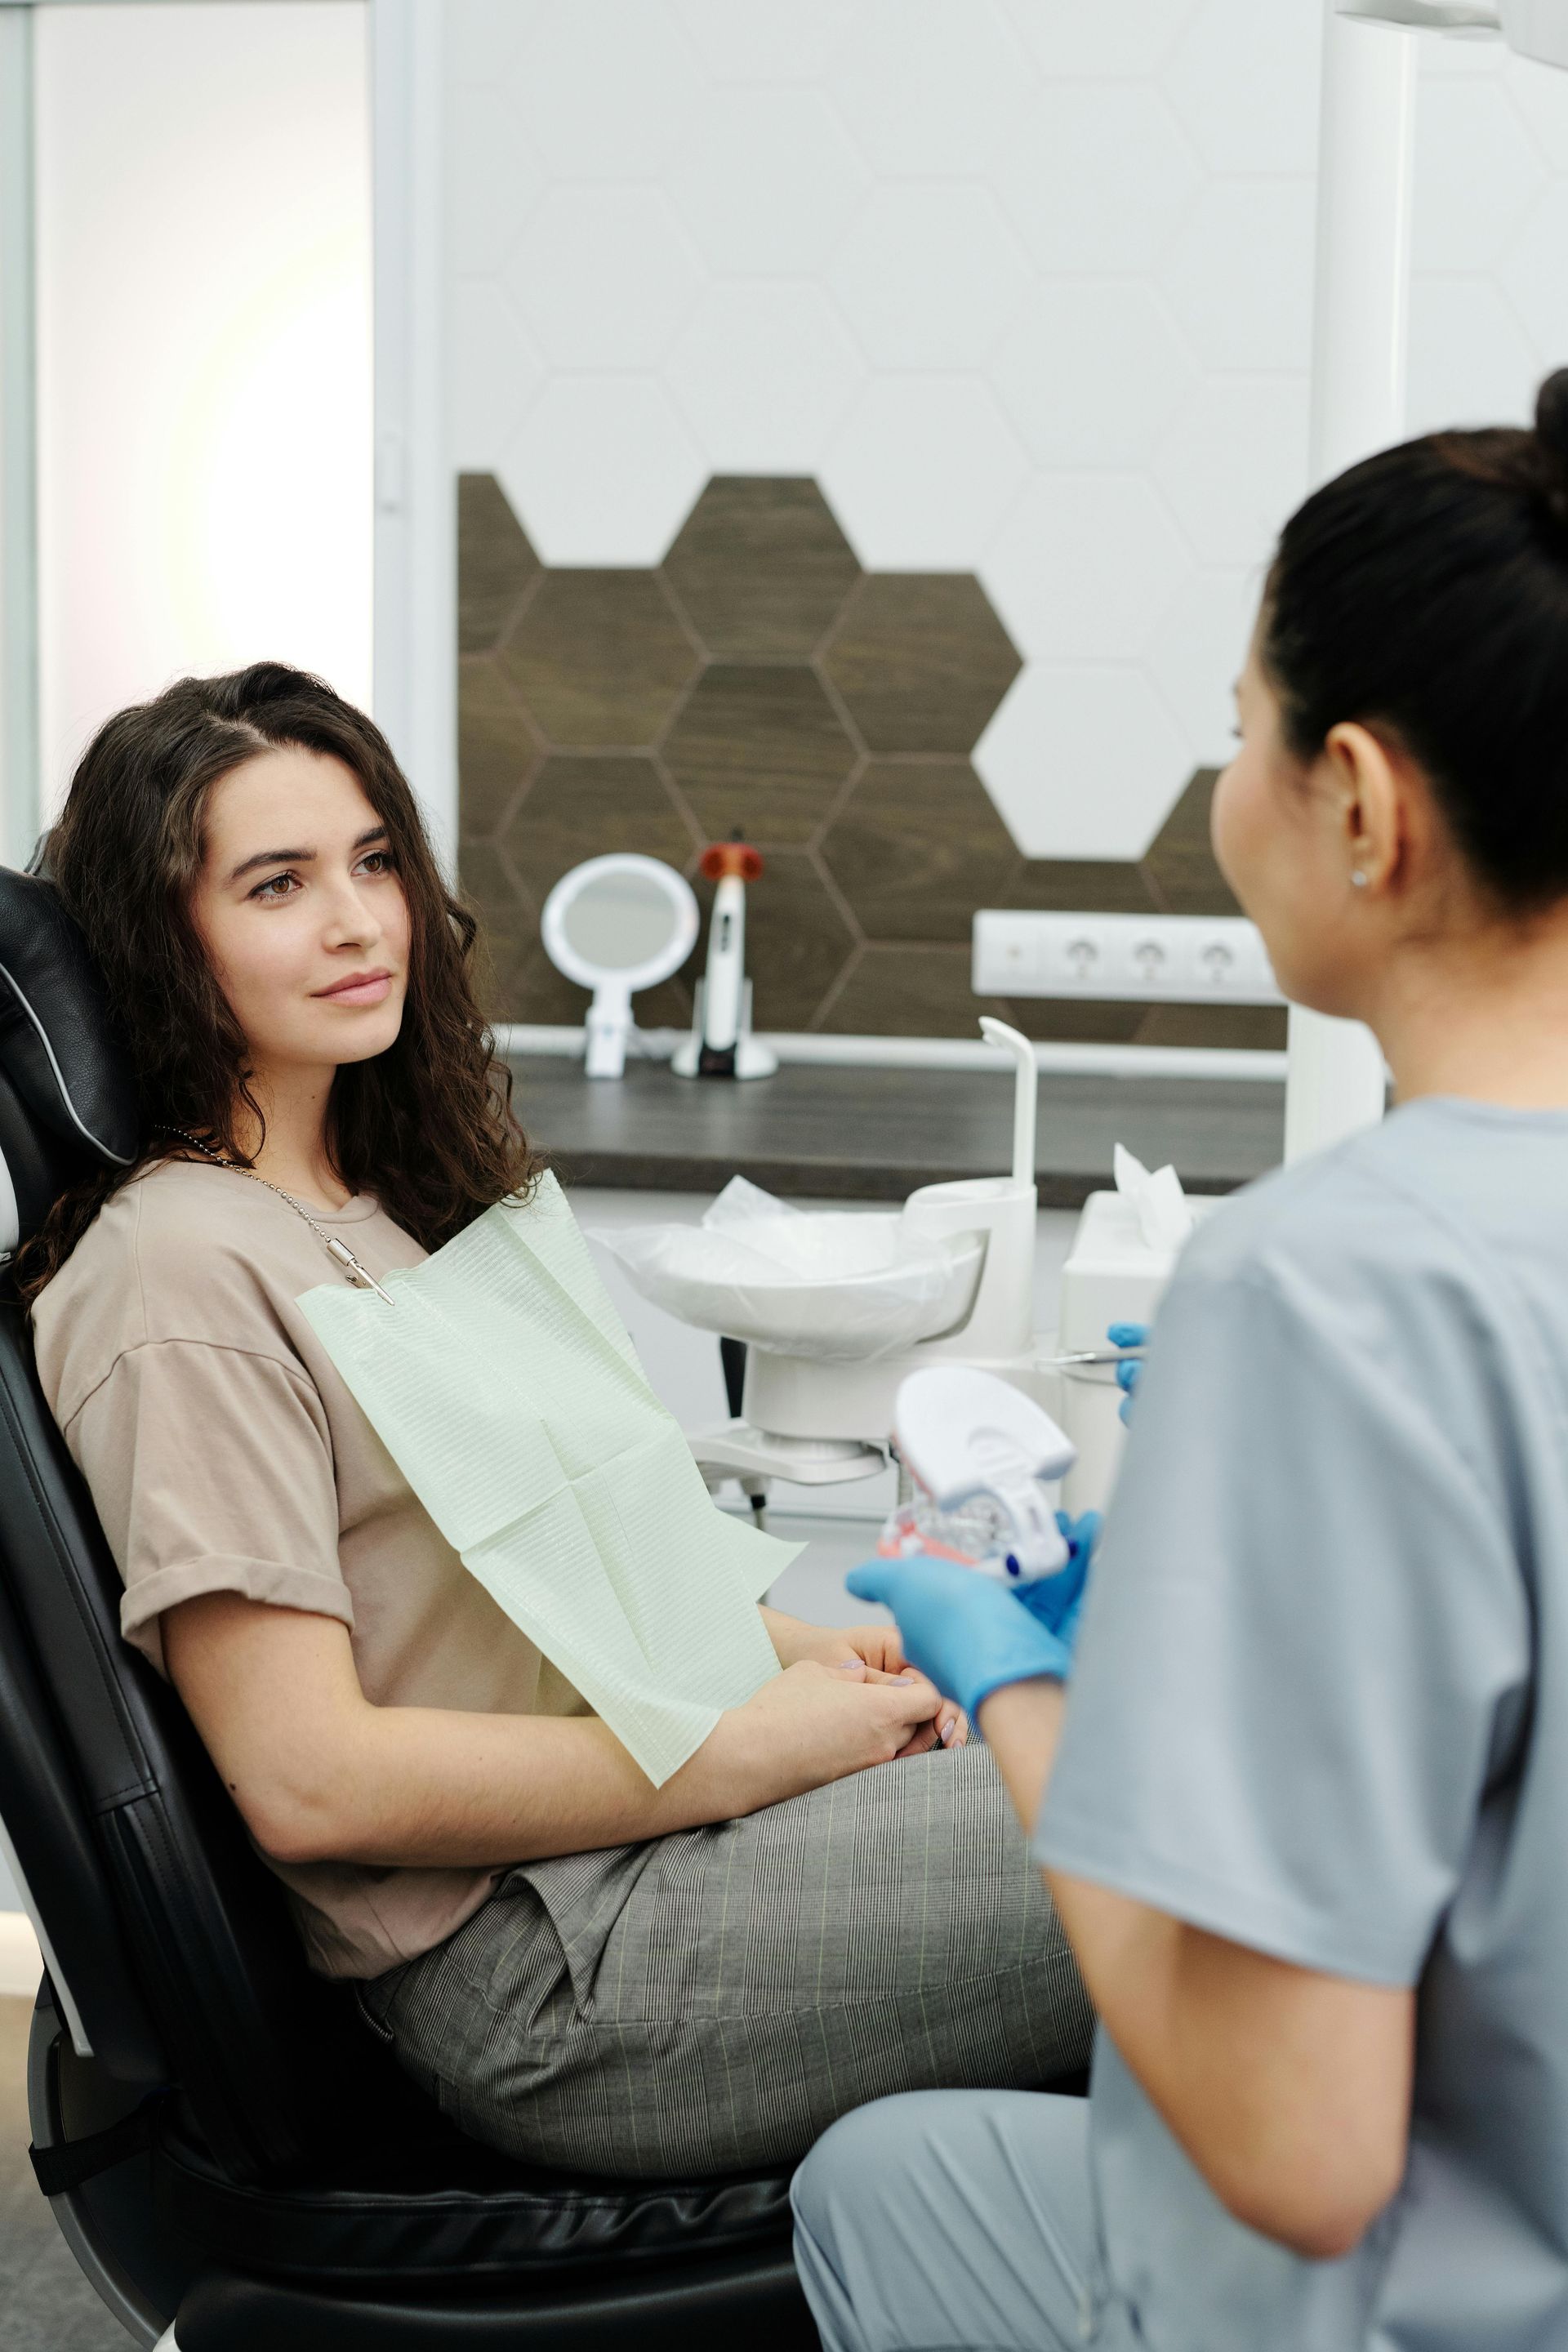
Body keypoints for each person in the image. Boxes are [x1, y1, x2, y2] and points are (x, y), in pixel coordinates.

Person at [16, 663, 1092, 2182]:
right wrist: (741, 1755)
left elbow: (563, 1579)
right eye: (277, 884)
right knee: (1193, 1816)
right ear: (159, 936)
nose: (357, 921)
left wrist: (825, 1661)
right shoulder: (179, 1268)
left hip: (652, 1850)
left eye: (375, 861)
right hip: (548, 1963)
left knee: (1170, 1740)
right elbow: (310, 1778)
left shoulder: (382, 1210)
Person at [793, 368, 1568, 2351]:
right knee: (891, 2181)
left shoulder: (1324, 1291)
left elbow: (1296, 2150)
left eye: (1243, 730)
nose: (1226, 784)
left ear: (1365, 806)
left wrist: (1034, 1685)